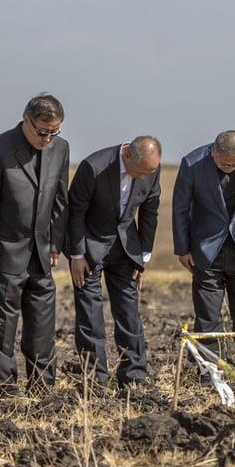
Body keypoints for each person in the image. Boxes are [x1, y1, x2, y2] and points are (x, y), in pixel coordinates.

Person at [0, 94, 70, 397]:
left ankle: (43, 386)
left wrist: (55, 243)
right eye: (42, 131)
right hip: (3, 252)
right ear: (26, 120)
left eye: (54, 132)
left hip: (42, 254)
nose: (47, 138)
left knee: (43, 323)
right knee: (1, 325)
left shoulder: (61, 148)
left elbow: (59, 199)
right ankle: (7, 388)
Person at [173, 130, 235, 379]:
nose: (230, 168)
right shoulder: (191, 163)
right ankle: (210, 372)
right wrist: (182, 248)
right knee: (207, 316)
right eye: (224, 163)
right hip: (206, 251)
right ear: (212, 153)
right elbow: (180, 208)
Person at [68, 136, 162, 388]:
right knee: (90, 316)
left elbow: (150, 210)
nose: (144, 177)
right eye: (140, 172)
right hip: (89, 247)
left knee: (129, 313)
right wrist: (77, 255)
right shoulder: (94, 167)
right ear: (127, 156)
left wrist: (142, 257)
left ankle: (133, 377)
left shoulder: (150, 167)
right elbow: (74, 210)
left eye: (150, 172)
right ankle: (95, 381)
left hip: (126, 249)